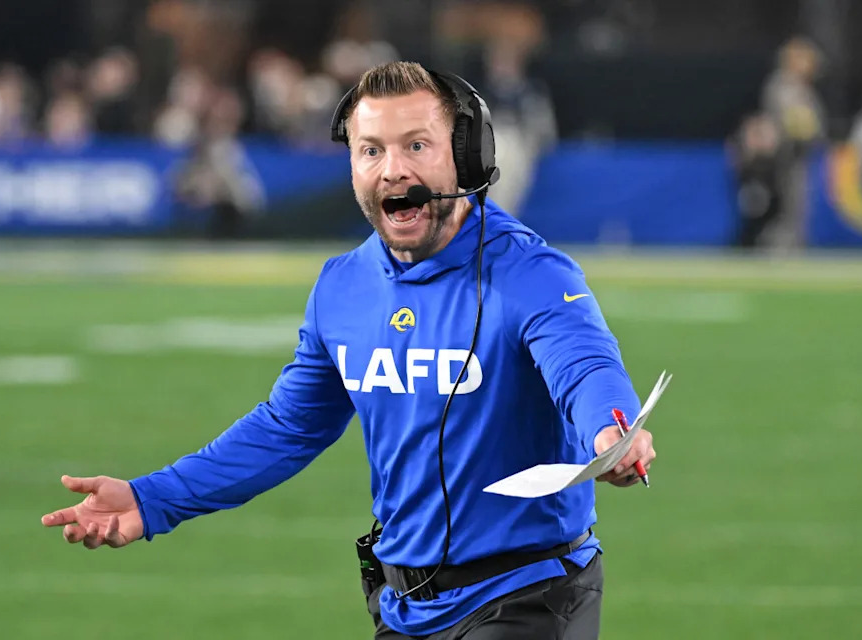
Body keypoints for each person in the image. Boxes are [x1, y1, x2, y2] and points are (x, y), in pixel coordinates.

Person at [41, 61, 656, 639]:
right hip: (405, 606)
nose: (392, 169)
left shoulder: (531, 273)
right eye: (371, 150)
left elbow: (585, 367)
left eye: (416, 145)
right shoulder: (341, 288)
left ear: (468, 155)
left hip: (530, 597)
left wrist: (612, 431)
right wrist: (153, 500)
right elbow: (287, 428)